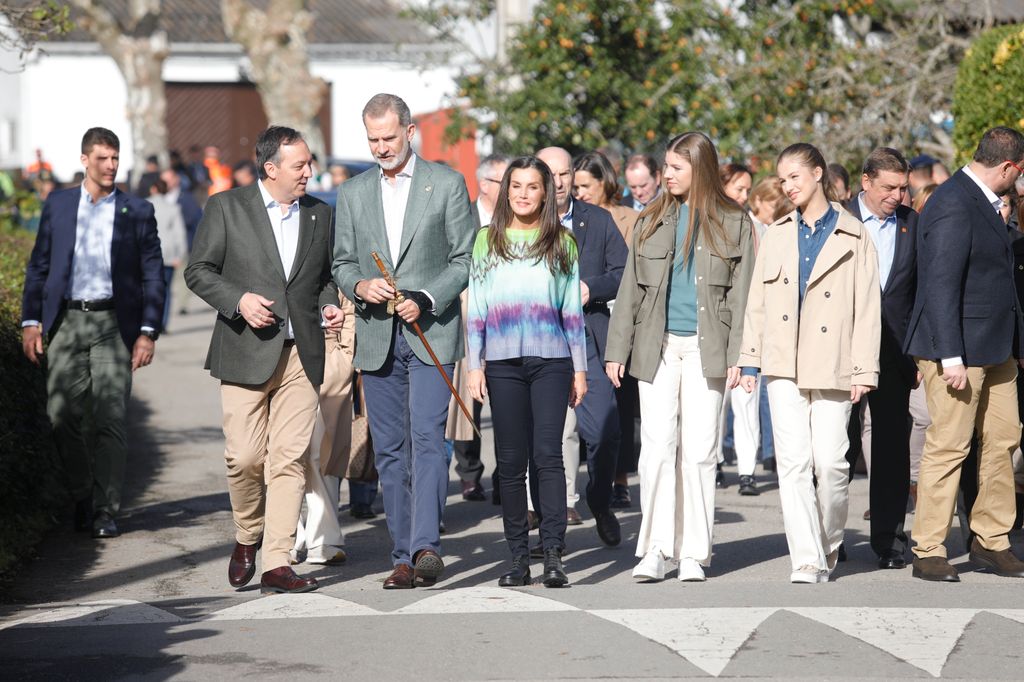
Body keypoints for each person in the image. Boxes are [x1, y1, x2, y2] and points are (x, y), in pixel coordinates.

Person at [185, 125, 345, 594]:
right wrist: (238, 300)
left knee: (289, 458)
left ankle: (277, 561)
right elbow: (198, 271)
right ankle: (246, 535)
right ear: (270, 168)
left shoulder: (320, 214)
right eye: (300, 165)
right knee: (244, 457)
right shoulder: (226, 208)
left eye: (310, 163)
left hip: (302, 355)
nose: (308, 173)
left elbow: (325, 279)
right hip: (244, 349)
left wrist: (331, 304)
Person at [332, 93, 475, 590]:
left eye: (388, 138)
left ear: (410, 132)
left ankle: (426, 547)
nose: (380, 147)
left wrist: (426, 297)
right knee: (390, 449)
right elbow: (342, 261)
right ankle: (400, 555)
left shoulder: (447, 184)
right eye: (372, 140)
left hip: (429, 333)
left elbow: (464, 259)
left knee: (428, 441)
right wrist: (359, 286)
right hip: (376, 336)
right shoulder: (352, 193)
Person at [605, 132, 755, 583]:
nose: (664, 174)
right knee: (655, 450)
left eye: (674, 167)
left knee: (700, 452)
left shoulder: (735, 222)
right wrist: (617, 350)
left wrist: (741, 356)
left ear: (699, 169)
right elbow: (630, 289)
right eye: (665, 166)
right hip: (658, 347)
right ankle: (654, 548)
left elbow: (744, 296)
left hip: (709, 350)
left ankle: (693, 552)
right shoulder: (649, 220)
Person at [738, 142, 880, 584]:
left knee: (833, 463)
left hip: (835, 361)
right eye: (782, 179)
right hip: (782, 362)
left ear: (818, 173)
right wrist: (749, 361)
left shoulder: (855, 234)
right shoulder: (776, 232)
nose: (788, 186)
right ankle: (805, 556)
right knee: (794, 463)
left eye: (795, 176)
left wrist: (865, 368)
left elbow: (867, 308)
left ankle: (829, 539)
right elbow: (756, 303)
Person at [21, 127, 165, 539]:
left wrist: (147, 331)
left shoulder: (137, 210)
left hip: (112, 324)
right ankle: (83, 492)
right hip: (66, 320)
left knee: (111, 418)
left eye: (116, 158)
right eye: (102, 158)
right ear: (85, 160)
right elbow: (39, 266)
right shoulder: (60, 205)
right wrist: (31, 321)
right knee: (61, 414)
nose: (111, 166)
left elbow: (153, 274)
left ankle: (105, 510)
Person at [904, 126, 1024, 582]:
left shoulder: (981, 200)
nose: (1017, 185)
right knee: (949, 446)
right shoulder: (954, 202)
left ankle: (992, 540)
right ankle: (929, 547)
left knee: (1003, 440)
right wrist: (950, 355)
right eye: (1018, 175)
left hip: (997, 349)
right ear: (1007, 167)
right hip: (956, 352)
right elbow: (939, 283)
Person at [466, 155, 587, 587]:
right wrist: (475, 364)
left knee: (548, 456)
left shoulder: (563, 242)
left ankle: (553, 553)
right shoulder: (486, 241)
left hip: (552, 360)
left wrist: (579, 369)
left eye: (532, 186)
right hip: (501, 363)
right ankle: (518, 558)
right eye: (515, 185)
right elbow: (476, 307)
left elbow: (571, 309)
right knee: (511, 461)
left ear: (545, 192)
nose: (522, 194)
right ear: (505, 190)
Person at [537, 145, 627, 546]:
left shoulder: (599, 220)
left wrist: (592, 287)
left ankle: (600, 500)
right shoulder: (522, 222)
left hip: (588, 336)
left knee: (604, 431)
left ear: (573, 175)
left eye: (563, 173)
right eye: (548, 174)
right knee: (544, 439)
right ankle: (548, 527)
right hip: (538, 340)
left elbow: (624, 271)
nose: (557, 182)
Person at [844, 148, 919, 570]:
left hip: (895, 354)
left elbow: (919, 292)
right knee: (839, 446)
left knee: (891, 449)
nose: (897, 196)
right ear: (866, 181)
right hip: (842, 350)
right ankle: (830, 536)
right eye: (889, 187)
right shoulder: (838, 220)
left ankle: (889, 539)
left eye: (903, 188)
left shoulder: (912, 225)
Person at [572, 150, 640, 508]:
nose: (579, 192)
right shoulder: (569, 218)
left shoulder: (624, 218)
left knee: (618, 408)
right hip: (587, 318)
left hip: (619, 319)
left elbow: (627, 269)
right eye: (575, 185)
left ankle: (619, 478)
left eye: (586, 185)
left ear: (604, 183)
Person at [448, 153, 509, 503]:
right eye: (505, 182)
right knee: (467, 405)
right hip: (467, 320)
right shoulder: (463, 219)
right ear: (485, 185)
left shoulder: (516, 221)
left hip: (503, 323)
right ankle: (470, 474)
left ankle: (505, 475)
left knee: (505, 405)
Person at [292, 293, 357, 567]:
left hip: (328, 350)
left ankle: (322, 539)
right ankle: (287, 538)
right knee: (282, 451)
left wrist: (344, 355)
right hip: (275, 349)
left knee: (322, 449)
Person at [718, 162, 760, 495]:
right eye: (738, 188)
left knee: (746, 401)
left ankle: (747, 469)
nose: (744, 196)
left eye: (748, 189)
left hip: (748, 323)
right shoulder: (709, 221)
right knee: (717, 402)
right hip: (717, 325)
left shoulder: (751, 224)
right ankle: (716, 459)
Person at [145, 178, 187, 331]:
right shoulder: (173, 207)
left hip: (147, 253)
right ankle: (163, 323)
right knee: (166, 290)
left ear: (153, 189)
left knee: (149, 288)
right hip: (169, 253)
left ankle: (150, 322)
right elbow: (179, 233)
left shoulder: (144, 205)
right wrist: (179, 255)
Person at [574, 151, 640, 242]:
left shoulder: (635, 220)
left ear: (604, 182)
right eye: (576, 188)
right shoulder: (572, 221)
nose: (580, 194)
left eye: (586, 186)